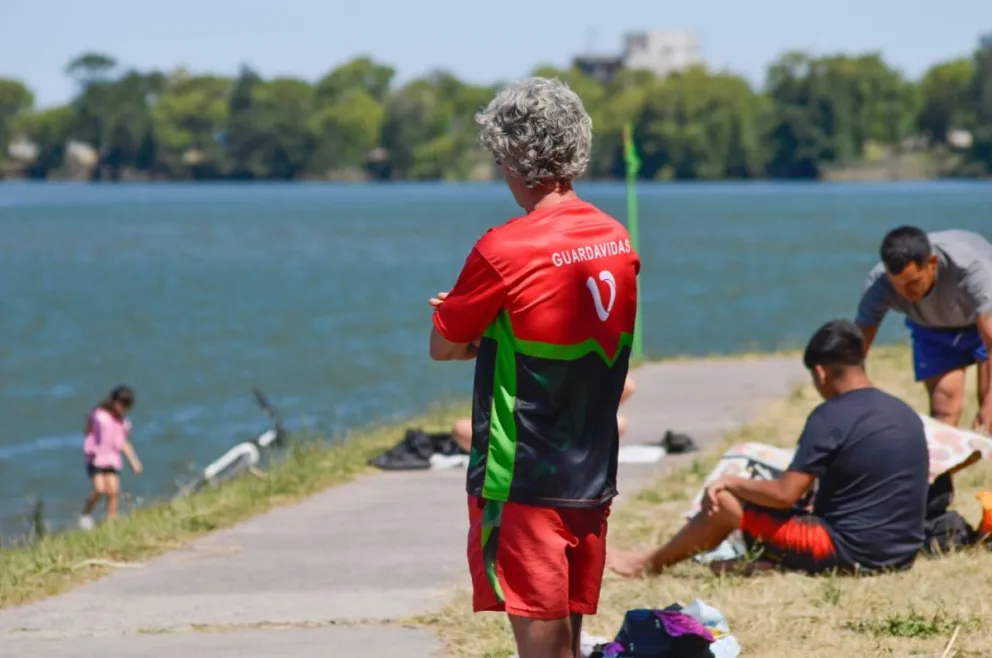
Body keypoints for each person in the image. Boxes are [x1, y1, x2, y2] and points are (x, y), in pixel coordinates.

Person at [428, 77, 640, 658]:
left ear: (511, 159)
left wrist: (467, 323)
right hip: (591, 470)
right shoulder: (616, 239)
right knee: (568, 642)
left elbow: (443, 345)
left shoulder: (503, 248)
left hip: (523, 474)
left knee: (540, 648)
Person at [608, 320, 929, 578]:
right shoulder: (903, 411)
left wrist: (732, 481)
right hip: (901, 554)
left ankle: (646, 565)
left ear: (820, 372)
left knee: (723, 502)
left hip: (850, 554)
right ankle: (759, 563)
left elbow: (783, 494)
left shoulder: (831, 415)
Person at [855, 226, 992, 433]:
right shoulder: (879, 284)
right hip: (931, 327)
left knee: (989, 411)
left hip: (983, 320)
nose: (906, 293)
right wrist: (857, 398)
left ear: (932, 264)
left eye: (913, 283)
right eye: (898, 286)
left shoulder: (971, 268)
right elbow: (855, 352)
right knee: (944, 411)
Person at [448, 375, 637, 454]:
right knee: (461, 429)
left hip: (560, 424)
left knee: (618, 424)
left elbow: (628, 386)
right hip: (526, 427)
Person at [80, 385, 143, 529]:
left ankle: (111, 522)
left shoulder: (123, 423)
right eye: (121, 404)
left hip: (111, 460)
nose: (122, 408)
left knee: (114, 491)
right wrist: (89, 435)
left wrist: (134, 462)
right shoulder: (100, 416)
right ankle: (86, 513)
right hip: (96, 458)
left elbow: (124, 444)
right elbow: (89, 423)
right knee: (100, 489)